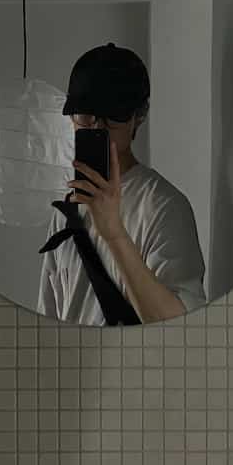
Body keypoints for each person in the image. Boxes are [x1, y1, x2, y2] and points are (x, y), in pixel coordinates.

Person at [38, 43, 207, 326]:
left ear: (138, 117)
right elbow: (49, 320)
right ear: (71, 118)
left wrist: (114, 233)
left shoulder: (164, 207)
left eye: (112, 118)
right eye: (85, 116)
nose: (97, 128)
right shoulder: (66, 211)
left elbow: (178, 327)